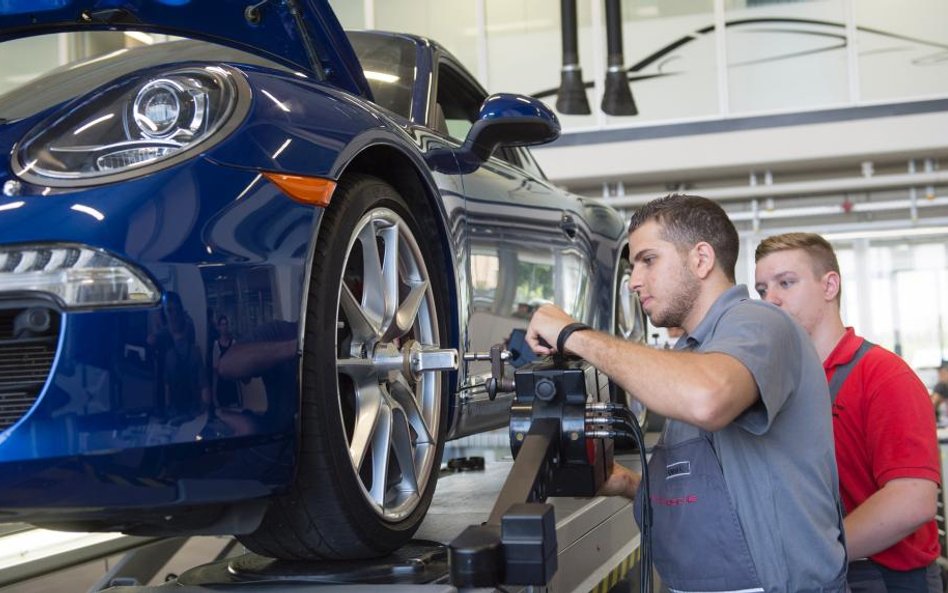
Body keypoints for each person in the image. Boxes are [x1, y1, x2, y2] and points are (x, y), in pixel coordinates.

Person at [526, 194, 847, 592]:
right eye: (632, 267)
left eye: (648, 260)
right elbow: (706, 490)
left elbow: (708, 398)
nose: (634, 281)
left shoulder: (760, 322)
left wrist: (575, 335)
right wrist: (626, 483)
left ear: (701, 259)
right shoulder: (691, 356)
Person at [754, 232, 942, 593]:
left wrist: (820, 552)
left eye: (786, 283)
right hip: (816, 574)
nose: (770, 300)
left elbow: (912, 499)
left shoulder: (883, 375)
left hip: (883, 578)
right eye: (762, 290)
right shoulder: (782, 384)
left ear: (830, 285)